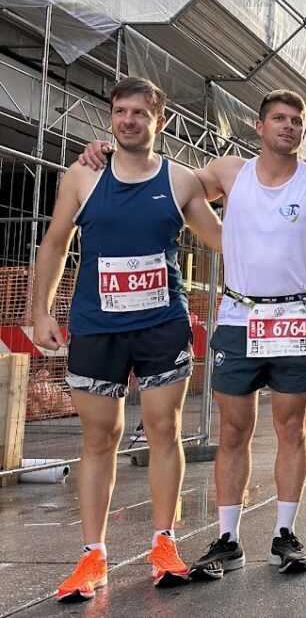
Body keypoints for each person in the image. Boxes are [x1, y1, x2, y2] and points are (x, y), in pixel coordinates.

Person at [80, 89, 306, 577]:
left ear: (302, 131)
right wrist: (105, 151)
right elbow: (162, 179)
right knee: (233, 430)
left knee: (292, 428)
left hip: (295, 317)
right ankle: (228, 539)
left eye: (295, 121)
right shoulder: (227, 172)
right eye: (279, 119)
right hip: (240, 317)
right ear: (259, 126)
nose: (288, 126)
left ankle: (286, 534)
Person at [33, 77, 222, 601]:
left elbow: (225, 239)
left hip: (162, 324)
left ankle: (165, 544)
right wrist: (39, 311)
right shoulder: (84, 175)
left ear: (157, 120)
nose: (129, 120)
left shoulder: (181, 181)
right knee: (99, 440)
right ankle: (92, 556)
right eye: (120, 111)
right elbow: (54, 243)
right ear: (110, 117)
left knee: (166, 429)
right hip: (97, 326)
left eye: (140, 112)